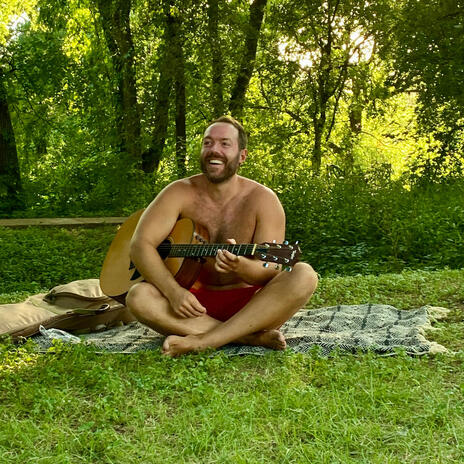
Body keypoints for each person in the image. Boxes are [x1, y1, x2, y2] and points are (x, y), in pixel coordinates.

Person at [126, 116, 318, 356]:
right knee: (138, 296)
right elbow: (140, 244)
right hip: (190, 303)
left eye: (225, 144)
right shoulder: (178, 192)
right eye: (208, 143)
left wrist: (241, 267)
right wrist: (174, 293)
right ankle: (247, 338)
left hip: (250, 307)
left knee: (304, 275)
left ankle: (202, 341)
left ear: (242, 156)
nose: (214, 150)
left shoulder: (263, 200)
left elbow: (270, 269)